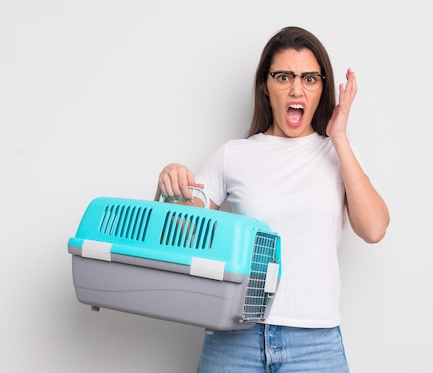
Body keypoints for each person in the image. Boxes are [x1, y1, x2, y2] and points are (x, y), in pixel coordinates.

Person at [155, 26, 389, 373]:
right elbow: (183, 233)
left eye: (310, 78)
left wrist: (338, 136)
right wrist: (170, 184)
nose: (297, 89)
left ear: (322, 87)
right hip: (234, 337)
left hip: (315, 342)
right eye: (284, 77)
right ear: (266, 86)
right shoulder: (233, 155)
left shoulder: (340, 152)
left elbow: (373, 229)